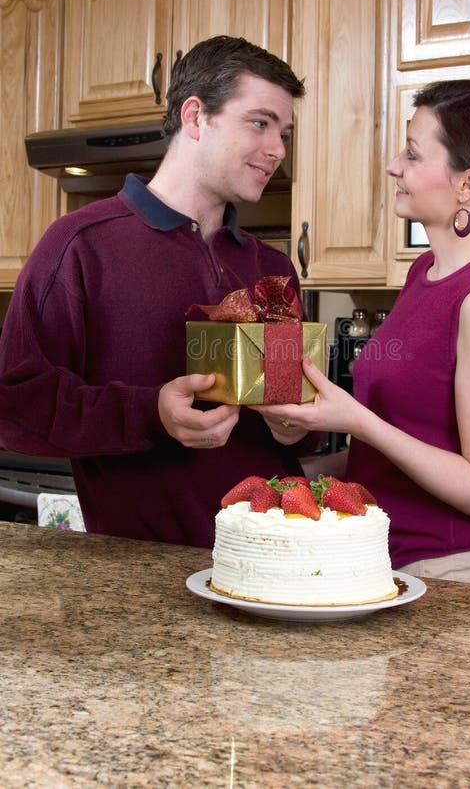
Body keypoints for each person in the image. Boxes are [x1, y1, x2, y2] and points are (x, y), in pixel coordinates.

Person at [0, 35, 313, 545]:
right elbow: (15, 407)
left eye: (284, 131)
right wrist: (152, 413)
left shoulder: (271, 267)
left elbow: (293, 408)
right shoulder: (80, 246)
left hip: (274, 557)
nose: (277, 149)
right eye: (259, 122)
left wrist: (295, 425)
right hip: (145, 571)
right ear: (194, 117)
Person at [254, 79, 470, 588]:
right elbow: (400, 451)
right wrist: (296, 474)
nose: (394, 165)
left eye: (413, 155)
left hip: (450, 579)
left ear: (467, 185)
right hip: (384, 565)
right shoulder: (426, 273)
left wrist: (357, 419)